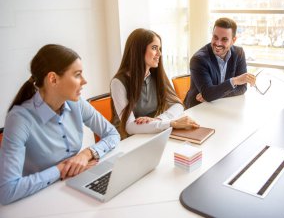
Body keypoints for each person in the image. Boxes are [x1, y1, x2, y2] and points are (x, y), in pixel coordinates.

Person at [0, 44, 120, 205]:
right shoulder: (20, 119)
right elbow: (7, 190)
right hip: (37, 200)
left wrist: (85, 155)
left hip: (72, 187)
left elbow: (112, 134)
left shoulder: (76, 104)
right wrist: (62, 169)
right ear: (53, 79)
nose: (84, 81)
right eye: (77, 75)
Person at [111, 28, 199, 140]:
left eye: (160, 48)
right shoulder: (118, 83)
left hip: (151, 135)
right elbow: (129, 126)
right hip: (126, 141)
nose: (159, 54)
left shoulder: (156, 75)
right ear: (139, 50)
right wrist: (171, 123)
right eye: (154, 48)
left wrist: (158, 120)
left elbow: (177, 105)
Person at [184, 17, 256, 108]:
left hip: (219, 106)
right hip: (197, 108)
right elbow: (208, 95)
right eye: (215, 37)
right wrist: (235, 81)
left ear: (233, 40)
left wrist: (214, 94)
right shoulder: (198, 59)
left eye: (224, 39)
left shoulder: (239, 53)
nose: (218, 43)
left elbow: (242, 88)